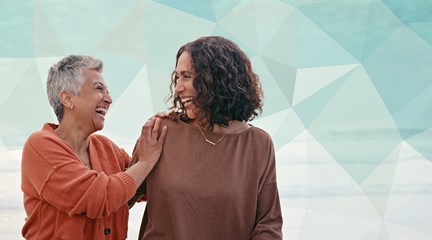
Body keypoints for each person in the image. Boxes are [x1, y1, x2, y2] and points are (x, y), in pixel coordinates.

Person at [138, 36, 283, 239]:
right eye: (177, 77)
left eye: (186, 76)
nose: (178, 88)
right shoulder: (161, 131)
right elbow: (118, 198)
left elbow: (268, 226)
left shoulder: (258, 144)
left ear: (215, 79)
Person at [21, 55, 167, 239]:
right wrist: (145, 161)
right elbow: (98, 198)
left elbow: (148, 184)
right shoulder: (40, 146)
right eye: (99, 89)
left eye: (108, 91)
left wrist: (165, 129)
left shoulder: (106, 148)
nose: (109, 99)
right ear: (67, 98)